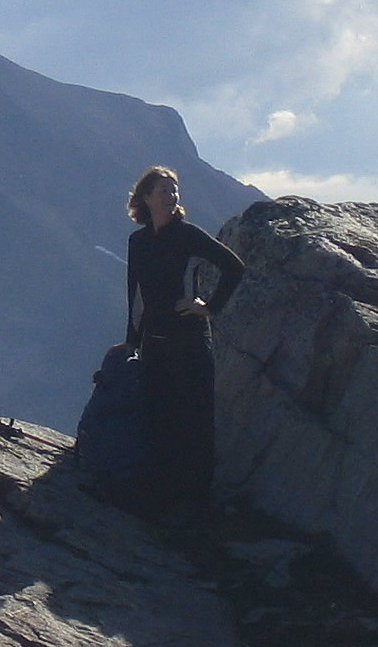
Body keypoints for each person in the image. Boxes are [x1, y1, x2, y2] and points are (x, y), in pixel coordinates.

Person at [120, 165, 244, 512]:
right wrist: (131, 340)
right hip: (155, 344)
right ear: (146, 197)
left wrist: (208, 306)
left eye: (174, 190)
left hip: (189, 341)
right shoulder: (139, 242)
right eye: (164, 190)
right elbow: (136, 294)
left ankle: (194, 503)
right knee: (160, 419)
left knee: (194, 422)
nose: (172, 196)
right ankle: (161, 498)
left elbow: (234, 267)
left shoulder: (187, 235)